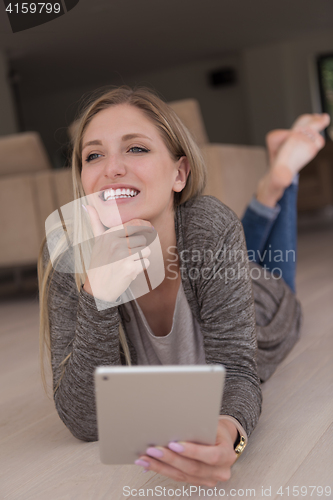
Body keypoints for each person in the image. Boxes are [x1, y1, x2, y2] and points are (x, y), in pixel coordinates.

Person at [38, 86, 329, 487]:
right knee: (228, 250)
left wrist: (231, 435)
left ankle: (281, 181)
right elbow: (86, 420)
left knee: (267, 273)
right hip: (209, 260)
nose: (112, 168)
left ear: (179, 173)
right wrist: (97, 295)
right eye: (94, 154)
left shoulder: (208, 225)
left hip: (263, 301)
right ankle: (274, 184)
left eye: (136, 149)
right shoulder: (68, 259)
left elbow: (239, 372)